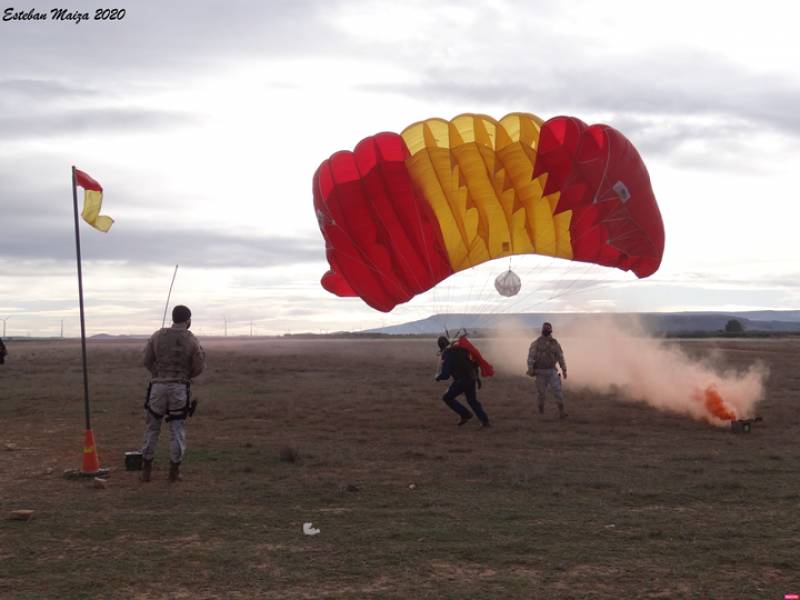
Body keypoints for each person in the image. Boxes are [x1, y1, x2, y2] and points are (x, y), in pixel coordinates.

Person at [140, 305, 205, 482]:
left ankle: (146, 470)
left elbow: (146, 359)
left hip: (158, 388)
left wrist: (158, 374)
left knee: (152, 427)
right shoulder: (192, 339)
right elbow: (199, 365)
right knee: (177, 428)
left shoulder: (157, 335)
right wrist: (185, 376)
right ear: (188, 320)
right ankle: (174, 472)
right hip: (179, 388)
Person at [435, 336, 490, 428]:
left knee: (447, 397)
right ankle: (485, 421)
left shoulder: (448, 353)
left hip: (462, 381)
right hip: (471, 378)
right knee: (472, 401)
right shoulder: (462, 349)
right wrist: (477, 378)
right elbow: (473, 364)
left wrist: (438, 377)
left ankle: (465, 414)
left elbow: (446, 374)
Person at [527, 322, 568, 418]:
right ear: (542, 330)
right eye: (545, 328)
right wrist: (530, 369)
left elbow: (560, 357)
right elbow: (531, 357)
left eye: (548, 328)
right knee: (541, 394)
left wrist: (564, 370)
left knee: (558, 391)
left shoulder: (555, 343)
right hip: (540, 372)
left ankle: (561, 412)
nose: (546, 330)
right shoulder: (536, 343)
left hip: (552, 371)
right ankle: (541, 411)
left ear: (551, 330)